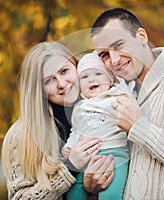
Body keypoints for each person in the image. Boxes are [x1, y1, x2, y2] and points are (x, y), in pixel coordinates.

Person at [83, 8, 164, 199]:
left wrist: (139, 127)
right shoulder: (118, 93)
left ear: (142, 36)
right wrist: (91, 185)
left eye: (119, 45)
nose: (114, 60)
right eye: (104, 54)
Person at [1, 41, 115, 200]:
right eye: (49, 81)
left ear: (76, 66)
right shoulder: (21, 135)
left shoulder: (109, 104)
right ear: (38, 90)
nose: (61, 84)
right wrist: (70, 168)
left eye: (64, 71)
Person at [63, 51, 133, 200]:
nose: (91, 79)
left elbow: (131, 107)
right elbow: (76, 129)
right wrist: (70, 146)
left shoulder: (116, 97)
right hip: (87, 158)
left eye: (98, 74)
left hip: (116, 155)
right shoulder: (80, 107)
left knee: (112, 195)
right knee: (73, 192)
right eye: (85, 77)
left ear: (110, 79)